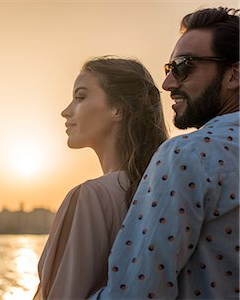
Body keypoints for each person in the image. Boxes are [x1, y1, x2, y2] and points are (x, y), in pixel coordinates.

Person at [90, 7, 239, 299]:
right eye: (169, 69)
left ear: (234, 75)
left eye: (184, 66)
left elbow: (136, 293)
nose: (168, 84)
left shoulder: (190, 155)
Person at [33, 56, 168, 299]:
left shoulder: (90, 196)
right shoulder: (164, 189)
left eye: (80, 97)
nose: (66, 111)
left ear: (118, 109)